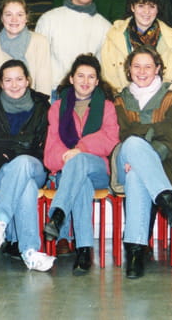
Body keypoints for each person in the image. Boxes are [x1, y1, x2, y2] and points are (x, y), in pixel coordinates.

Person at [112, 46, 172, 278]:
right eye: (136, 66)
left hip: (166, 165)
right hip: (124, 161)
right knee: (132, 145)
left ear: (158, 68)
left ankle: (135, 254)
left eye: (148, 66)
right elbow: (122, 133)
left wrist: (142, 150)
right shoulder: (119, 100)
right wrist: (155, 130)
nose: (142, 71)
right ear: (129, 69)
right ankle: (167, 200)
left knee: (137, 172)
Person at [43, 55, 119, 275]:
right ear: (71, 78)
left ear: (97, 81)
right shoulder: (57, 108)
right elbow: (50, 152)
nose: (85, 81)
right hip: (68, 170)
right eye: (80, 76)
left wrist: (81, 148)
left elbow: (111, 140)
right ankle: (84, 250)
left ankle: (58, 214)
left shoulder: (107, 107)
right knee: (81, 183)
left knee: (81, 162)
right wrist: (68, 156)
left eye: (91, 77)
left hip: (98, 169)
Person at [0, 59, 55, 271]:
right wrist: (24, 143)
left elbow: (44, 144)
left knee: (23, 163)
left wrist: (13, 146)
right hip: (2, 170)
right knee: (27, 187)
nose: (14, 85)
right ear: (1, 83)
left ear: (28, 80)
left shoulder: (42, 106)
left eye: (19, 79)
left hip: (36, 166)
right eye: (8, 80)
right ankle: (30, 252)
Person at [36, 0, 112, 92]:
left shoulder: (105, 27)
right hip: (54, 91)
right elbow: (38, 62)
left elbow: (104, 68)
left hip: (88, 94)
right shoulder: (48, 19)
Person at [100, 0, 172, 93]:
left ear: (157, 9)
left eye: (151, 6)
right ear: (132, 7)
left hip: (161, 101)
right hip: (121, 100)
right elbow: (108, 80)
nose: (146, 12)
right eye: (141, 6)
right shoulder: (113, 37)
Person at [0, 0, 52, 97]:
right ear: (2, 18)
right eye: (8, 14)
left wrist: (43, 105)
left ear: (26, 18)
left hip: (32, 102)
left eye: (20, 15)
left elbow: (44, 82)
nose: (14, 19)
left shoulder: (40, 41)